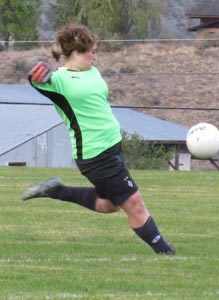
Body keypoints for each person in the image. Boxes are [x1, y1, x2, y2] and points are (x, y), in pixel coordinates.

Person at [22, 25, 175, 255]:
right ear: (76, 51)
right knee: (135, 205)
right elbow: (37, 80)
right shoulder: (59, 81)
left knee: (109, 205)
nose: (96, 55)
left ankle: (55, 191)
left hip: (112, 149)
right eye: (91, 51)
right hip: (96, 155)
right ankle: (166, 254)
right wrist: (37, 73)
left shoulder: (92, 71)